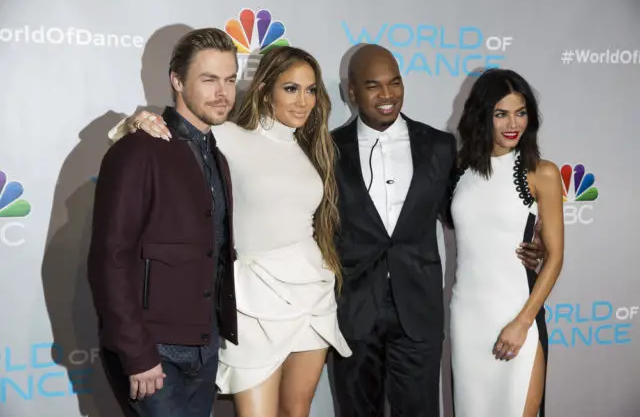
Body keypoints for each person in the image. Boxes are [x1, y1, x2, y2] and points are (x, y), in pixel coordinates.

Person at [108, 45, 351, 417]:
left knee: (297, 411)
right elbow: (177, 134)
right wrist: (135, 122)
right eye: (291, 88)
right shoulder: (229, 136)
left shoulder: (313, 148)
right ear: (265, 87)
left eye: (311, 89)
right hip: (253, 299)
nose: (304, 101)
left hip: (311, 295)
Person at [329, 44, 545, 417]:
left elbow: (468, 213)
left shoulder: (440, 147)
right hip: (354, 312)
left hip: (420, 313)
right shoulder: (328, 149)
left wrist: (531, 237)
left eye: (395, 83)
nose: (387, 95)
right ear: (351, 91)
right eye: (373, 86)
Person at [87, 27, 238, 417]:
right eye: (209, 80)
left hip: (204, 348)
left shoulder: (215, 155)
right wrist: (137, 354)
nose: (222, 91)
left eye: (230, 79)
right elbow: (110, 259)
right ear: (177, 80)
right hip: (153, 355)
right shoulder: (139, 149)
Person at [449, 68, 564, 417]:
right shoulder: (458, 170)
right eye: (501, 114)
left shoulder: (541, 173)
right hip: (467, 319)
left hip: (517, 314)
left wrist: (522, 323)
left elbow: (555, 257)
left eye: (521, 112)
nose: (513, 123)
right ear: (482, 116)